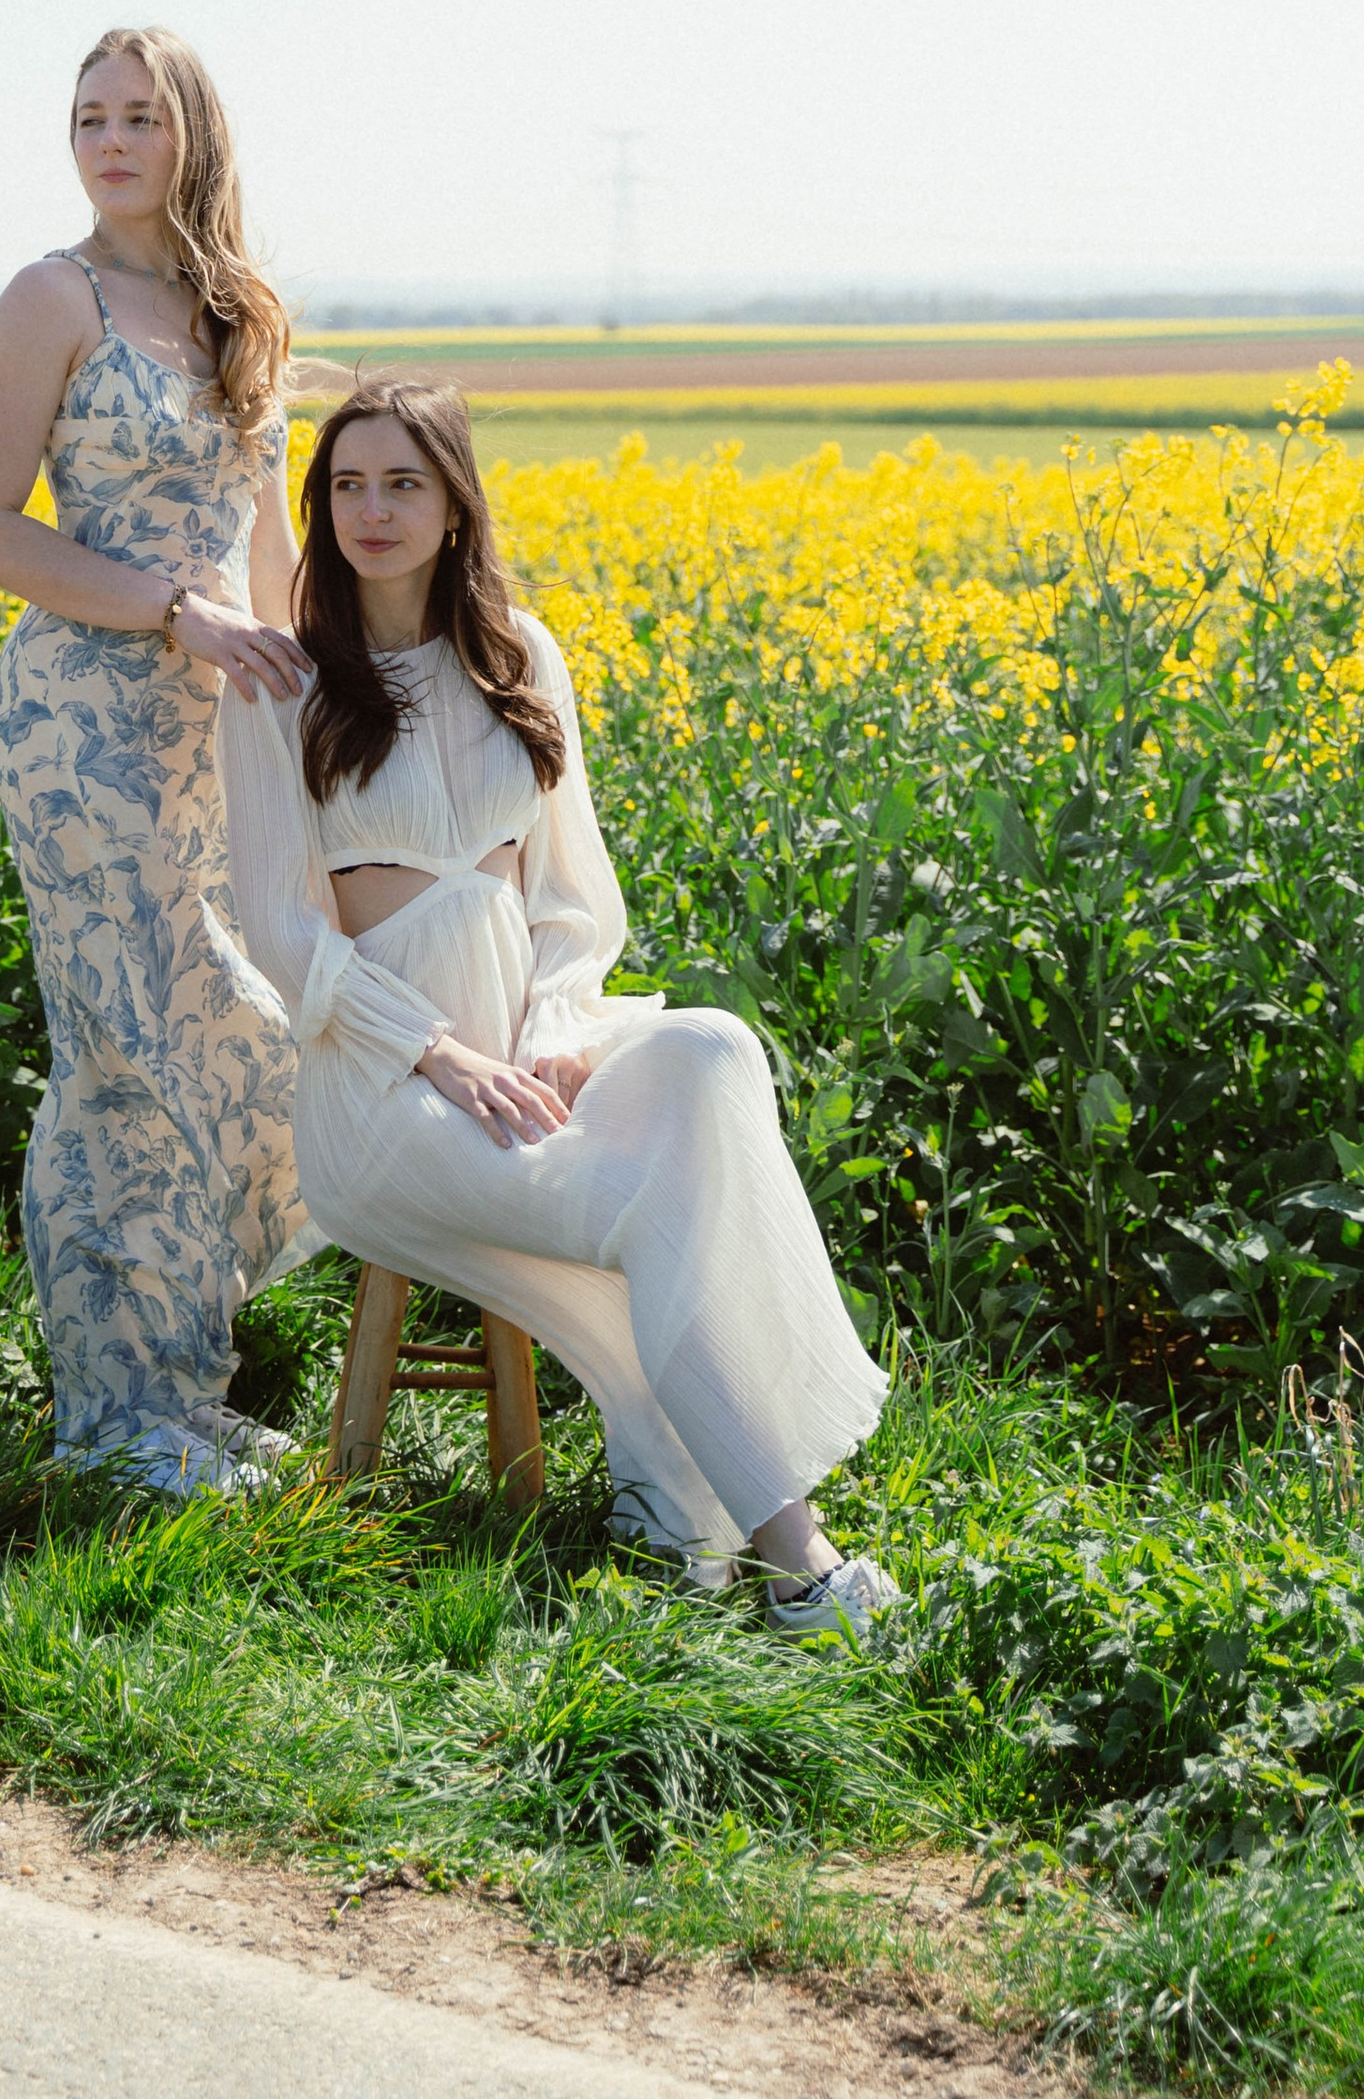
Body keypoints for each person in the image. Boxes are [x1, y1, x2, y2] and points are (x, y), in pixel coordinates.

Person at [219, 381, 899, 1635]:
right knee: (658, 1199)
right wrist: (441, 1056)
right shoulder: (281, 683)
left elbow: (573, 900)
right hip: (386, 1099)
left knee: (712, 1048)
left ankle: (679, 1491)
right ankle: (797, 1557)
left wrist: (548, 1033)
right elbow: (281, 932)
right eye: (347, 486)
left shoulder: (518, 655)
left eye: (403, 483)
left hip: (528, 1055)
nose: (372, 511)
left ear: (455, 505)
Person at [0, 27, 313, 1490]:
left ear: (192, 135)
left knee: (227, 1027)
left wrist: (316, 700)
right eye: (90, 116)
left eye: (139, 118)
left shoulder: (242, 314)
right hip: (84, 726)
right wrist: (175, 613)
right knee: (121, 1044)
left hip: (220, 731)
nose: (108, 141)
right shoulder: (53, 298)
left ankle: (185, 1378)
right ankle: (115, 1414)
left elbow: (270, 544)